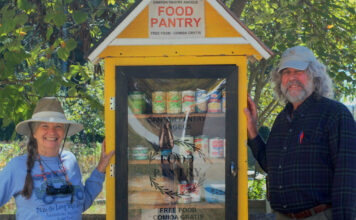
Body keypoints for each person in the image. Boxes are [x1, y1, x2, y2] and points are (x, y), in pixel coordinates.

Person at [244, 46, 356, 220]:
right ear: (279, 79)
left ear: (314, 76)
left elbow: (347, 179)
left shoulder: (335, 114)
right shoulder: (282, 119)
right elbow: (271, 166)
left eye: (299, 71)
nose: (292, 77)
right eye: (286, 72)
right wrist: (252, 131)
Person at [0, 97, 114, 219]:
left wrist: (101, 168)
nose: (52, 132)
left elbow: (80, 205)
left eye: (58, 126)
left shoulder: (70, 160)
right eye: (45, 126)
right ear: (34, 132)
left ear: (64, 131)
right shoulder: (17, 167)